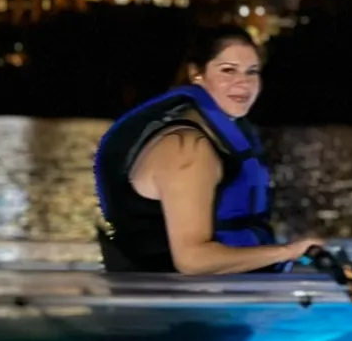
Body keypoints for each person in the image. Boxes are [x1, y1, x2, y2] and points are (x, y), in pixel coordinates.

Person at [94, 26, 318, 274]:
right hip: (174, 299)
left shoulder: (214, 134)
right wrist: (288, 251)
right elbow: (192, 260)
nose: (243, 82)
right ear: (196, 74)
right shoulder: (187, 148)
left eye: (251, 72)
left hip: (211, 292)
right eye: (228, 70)